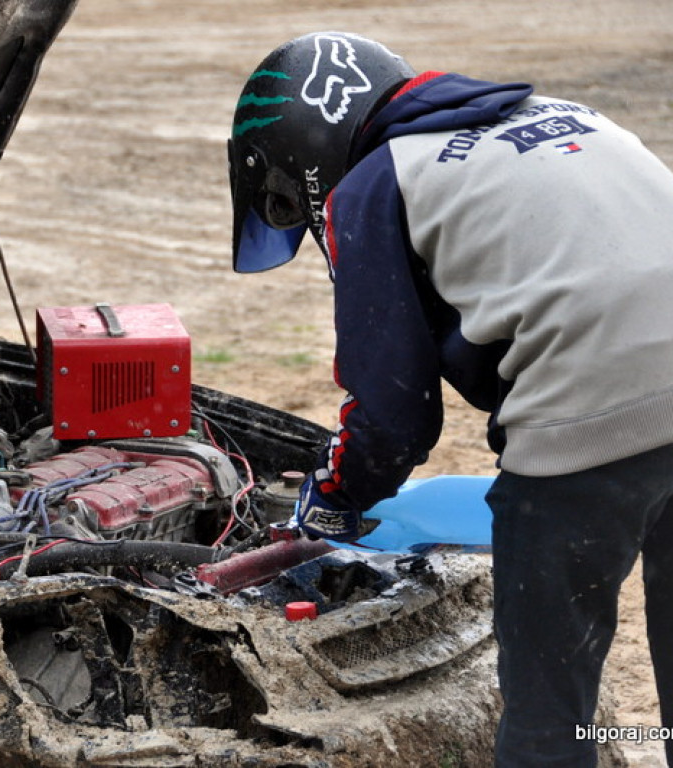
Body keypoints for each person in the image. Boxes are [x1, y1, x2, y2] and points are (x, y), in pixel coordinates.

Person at [227, 31, 673, 767]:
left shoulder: (375, 184)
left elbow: (395, 410)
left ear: (304, 145)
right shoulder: (571, 113)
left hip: (584, 433)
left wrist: (332, 501)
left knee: (550, 723)